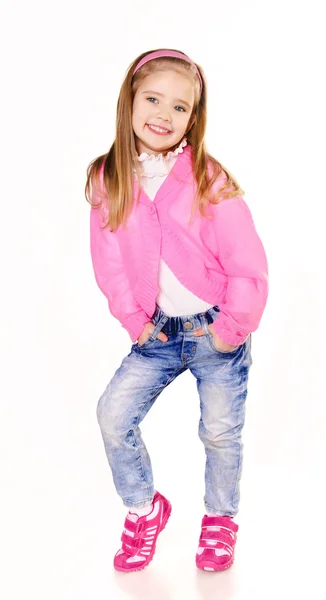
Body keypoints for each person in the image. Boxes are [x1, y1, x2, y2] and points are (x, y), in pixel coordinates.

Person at [85, 48, 268, 573]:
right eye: (153, 98)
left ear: (194, 117)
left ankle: (220, 520)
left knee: (219, 431)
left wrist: (233, 328)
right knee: (113, 415)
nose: (164, 114)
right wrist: (133, 322)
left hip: (218, 331)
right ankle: (145, 509)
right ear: (129, 101)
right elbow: (110, 264)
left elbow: (247, 259)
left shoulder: (207, 177)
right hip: (156, 334)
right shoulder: (109, 178)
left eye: (181, 107)